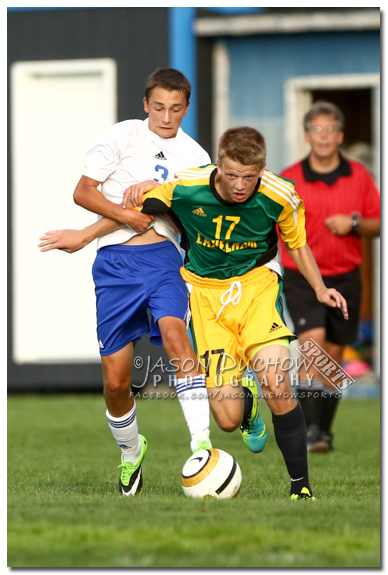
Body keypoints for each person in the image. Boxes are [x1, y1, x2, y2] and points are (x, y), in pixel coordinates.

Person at [127, 126, 348, 500]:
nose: (240, 185)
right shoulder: (186, 186)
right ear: (218, 165)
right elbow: (140, 207)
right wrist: (143, 189)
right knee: (227, 421)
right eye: (231, 174)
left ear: (263, 168)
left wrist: (319, 288)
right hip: (206, 299)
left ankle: (301, 487)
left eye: (249, 176)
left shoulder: (281, 194)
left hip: (256, 288)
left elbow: (298, 244)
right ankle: (246, 406)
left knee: (276, 383)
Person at [39, 68, 213, 496]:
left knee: (177, 338)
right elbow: (83, 192)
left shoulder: (196, 157)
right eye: (158, 107)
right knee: (116, 382)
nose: (166, 117)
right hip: (114, 264)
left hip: (163, 260)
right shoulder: (121, 136)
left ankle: (202, 447)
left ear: (186, 108)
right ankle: (131, 451)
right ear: (144, 104)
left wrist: (162, 199)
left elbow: (197, 217)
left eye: (175, 109)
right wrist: (126, 214)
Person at [279, 101, 380, 453]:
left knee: (333, 358)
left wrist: (352, 222)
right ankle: (308, 433)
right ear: (307, 135)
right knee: (312, 346)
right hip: (303, 278)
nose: (323, 136)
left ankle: (322, 431)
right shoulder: (288, 178)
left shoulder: (360, 177)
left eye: (329, 130)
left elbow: (377, 224)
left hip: (347, 277)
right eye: (316, 130)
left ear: (339, 136)